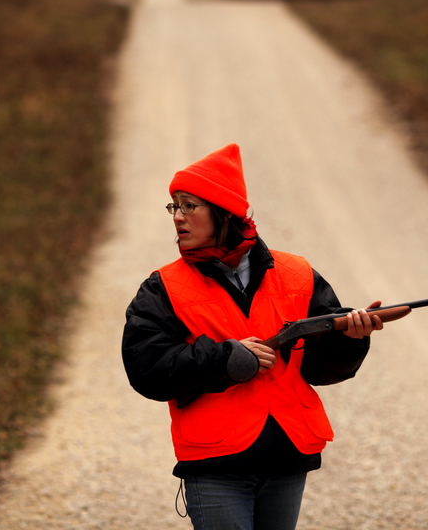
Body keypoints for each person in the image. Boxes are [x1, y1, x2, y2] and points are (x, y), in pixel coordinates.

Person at [122, 143, 383, 530]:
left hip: (287, 458)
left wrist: (351, 339)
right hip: (215, 465)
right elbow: (147, 370)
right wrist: (222, 359)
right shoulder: (162, 288)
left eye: (188, 205)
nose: (177, 217)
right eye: (174, 207)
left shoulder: (298, 273)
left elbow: (321, 370)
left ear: (224, 212)